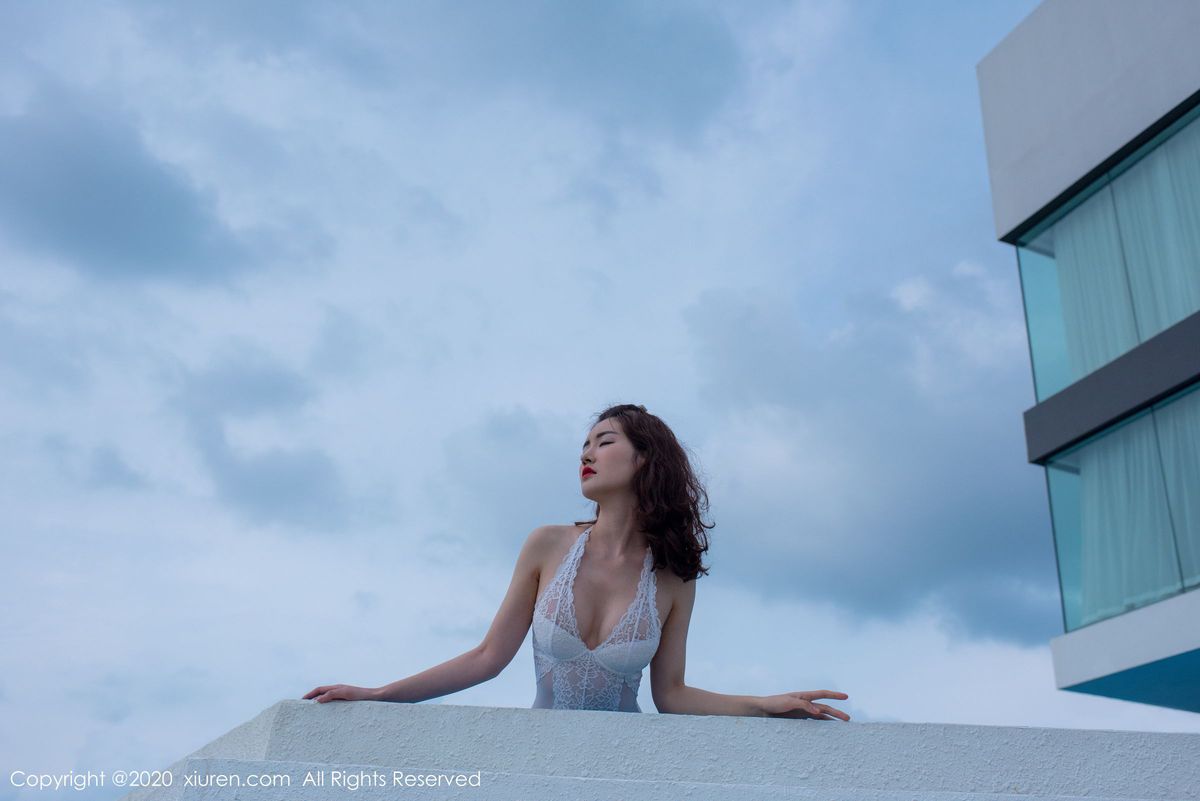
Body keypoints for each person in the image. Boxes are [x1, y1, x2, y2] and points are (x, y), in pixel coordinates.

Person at [303, 403, 850, 720]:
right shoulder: (547, 544)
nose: (586, 453)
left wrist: (766, 704)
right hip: (539, 758)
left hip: (627, 769)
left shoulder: (674, 578)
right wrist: (377, 695)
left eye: (604, 441)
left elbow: (672, 695)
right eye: (583, 444)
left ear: (645, 460)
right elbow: (488, 657)